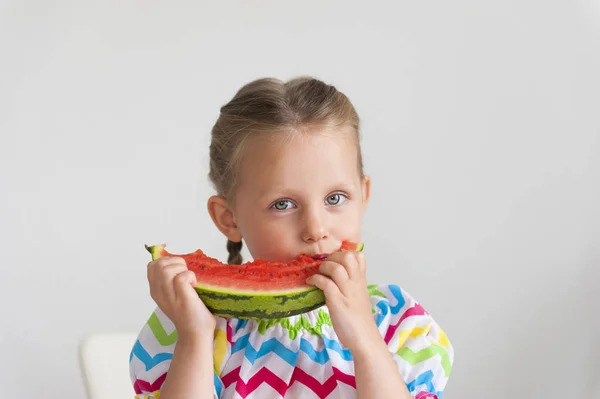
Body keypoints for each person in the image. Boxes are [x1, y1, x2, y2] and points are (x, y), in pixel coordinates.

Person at [129, 77, 454, 398]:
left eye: (335, 198)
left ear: (363, 197)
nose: (315, 229)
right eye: (282, 204)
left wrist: (365, 341)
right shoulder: (186, 325)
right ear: (229, 218)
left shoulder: (399, 325)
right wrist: (195, 339)